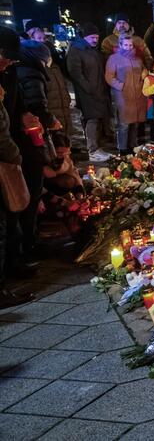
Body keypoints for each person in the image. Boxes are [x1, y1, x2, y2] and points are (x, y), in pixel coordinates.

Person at [16, 40, 63, 264]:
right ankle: (28, 244)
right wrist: (50, 120)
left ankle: (29, 240)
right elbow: (37, 106)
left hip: (22, 144)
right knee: (31, 190)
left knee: (31, 191)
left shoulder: (21, 71)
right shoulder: (31, 75)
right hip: (27, 144)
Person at [0, 26, 31, 307]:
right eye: (6, 57)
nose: (9, 63)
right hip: (4, 157)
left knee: (8, 220)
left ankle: (12, 266)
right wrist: (14, 154)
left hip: (7, 155)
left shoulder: (6, 77)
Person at [66, 23, 113, 162]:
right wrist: (88, 88)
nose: (95, 40)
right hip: (88, 93)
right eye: (92, 37)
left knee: (98, 119)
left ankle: (97, 148)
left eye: (97, 37)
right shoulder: (77, 50)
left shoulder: (94, 50)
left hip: (100, 91)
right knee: (91, 120)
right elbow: (75, 73)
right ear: (85, 37)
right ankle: (92, 150)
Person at [25, 22, 73, 143]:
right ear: (31, 39)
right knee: (54, 139)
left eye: (44, 38)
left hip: (61, 104)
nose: (42, 41)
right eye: (39, 38)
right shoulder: (33, 66)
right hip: (50, 107)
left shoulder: (54, 62)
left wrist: (66, 98)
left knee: (65, 136)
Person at [105, 34, 148, 154]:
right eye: (125, 45)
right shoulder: (114, 58)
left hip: (137, 96)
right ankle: (122, 149)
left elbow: (143, 69)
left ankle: (133, 147)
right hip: (123, 96)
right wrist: (121, 86)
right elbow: (109, 76)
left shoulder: (137, 59)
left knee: (135, 123)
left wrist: (144, 73)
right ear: (120, 45)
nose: (128, 47)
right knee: (124, 124)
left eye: (130, 45)